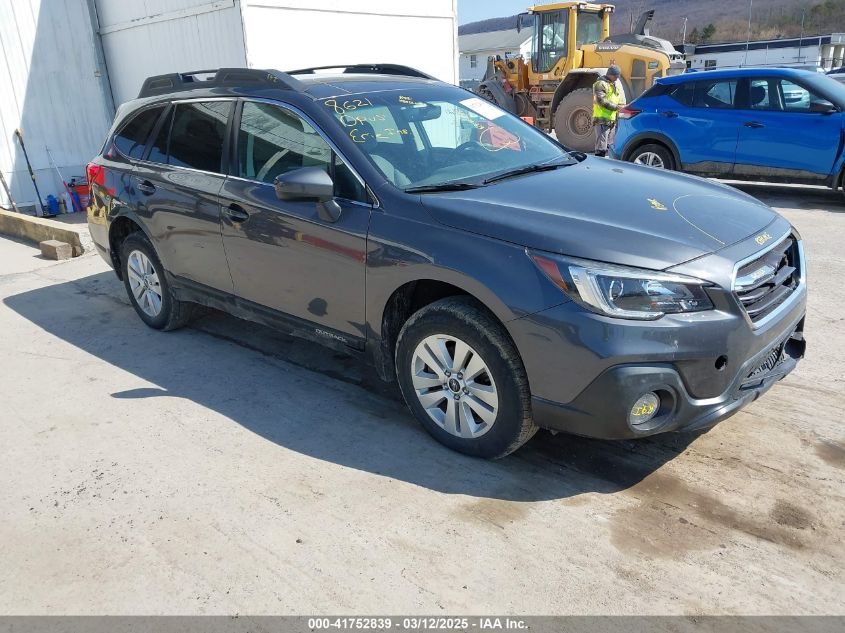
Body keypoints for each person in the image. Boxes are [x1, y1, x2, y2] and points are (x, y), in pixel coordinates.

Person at [592, 64, 625, 157]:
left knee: (609, 147)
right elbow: (601, 101)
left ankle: (605, 163)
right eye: (616, 76)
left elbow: (617, 100)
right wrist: (617, 108)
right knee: (601, 147)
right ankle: (599, 163)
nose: (617, 78)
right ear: (610, 74)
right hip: (602, 119)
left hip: (611, 120)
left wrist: (622, 107)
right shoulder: (600, 84)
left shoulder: (613, 85)